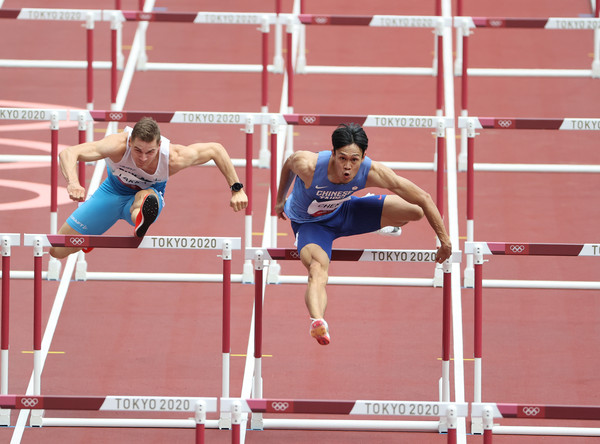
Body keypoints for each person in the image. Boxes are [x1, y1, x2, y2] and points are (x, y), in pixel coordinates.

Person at [275, 123, 452, 346]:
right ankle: (318, 321)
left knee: (414, 211)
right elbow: (289, 164)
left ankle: (374, 221)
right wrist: (281, 198)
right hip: (312, 226)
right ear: (333, 153)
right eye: (342, 159)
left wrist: (444, 239)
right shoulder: (308, 164)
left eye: (354, 160)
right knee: (317, 269)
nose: (347, 167)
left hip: (345, 211)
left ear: (363, 156)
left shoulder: (372, 170)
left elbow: (423, 198)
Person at [50, 117, 247, 258]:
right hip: (111, 192)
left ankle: (141, 221)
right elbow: (69, 153)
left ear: (159, 145)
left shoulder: (174, 157)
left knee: (144, 199)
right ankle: (93, 235)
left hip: (148, 196)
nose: (143, 158)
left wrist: (237, 189)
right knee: (57, 250)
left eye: (150, 152)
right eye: (137, 150)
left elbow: (215, 149)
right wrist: (73, 183)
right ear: (129, 141)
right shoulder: (117, 145)